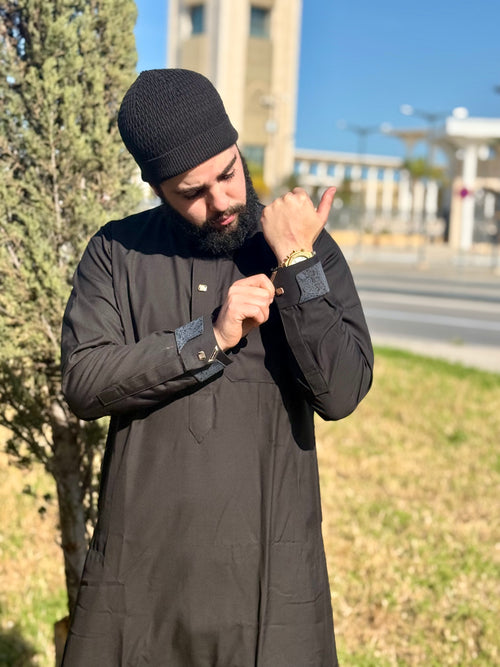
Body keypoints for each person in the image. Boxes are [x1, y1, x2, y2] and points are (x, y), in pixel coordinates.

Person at [61, 68, 373, 667]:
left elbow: (342, 391)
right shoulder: (117, 252)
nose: (222, 202)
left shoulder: (302, 244)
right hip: (141, 581)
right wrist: (209, 337)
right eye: (192, 192)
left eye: (228, 174)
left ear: (237, 147)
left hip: (271, 584)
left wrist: (298, 261)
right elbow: (85, 381)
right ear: (157, 188)